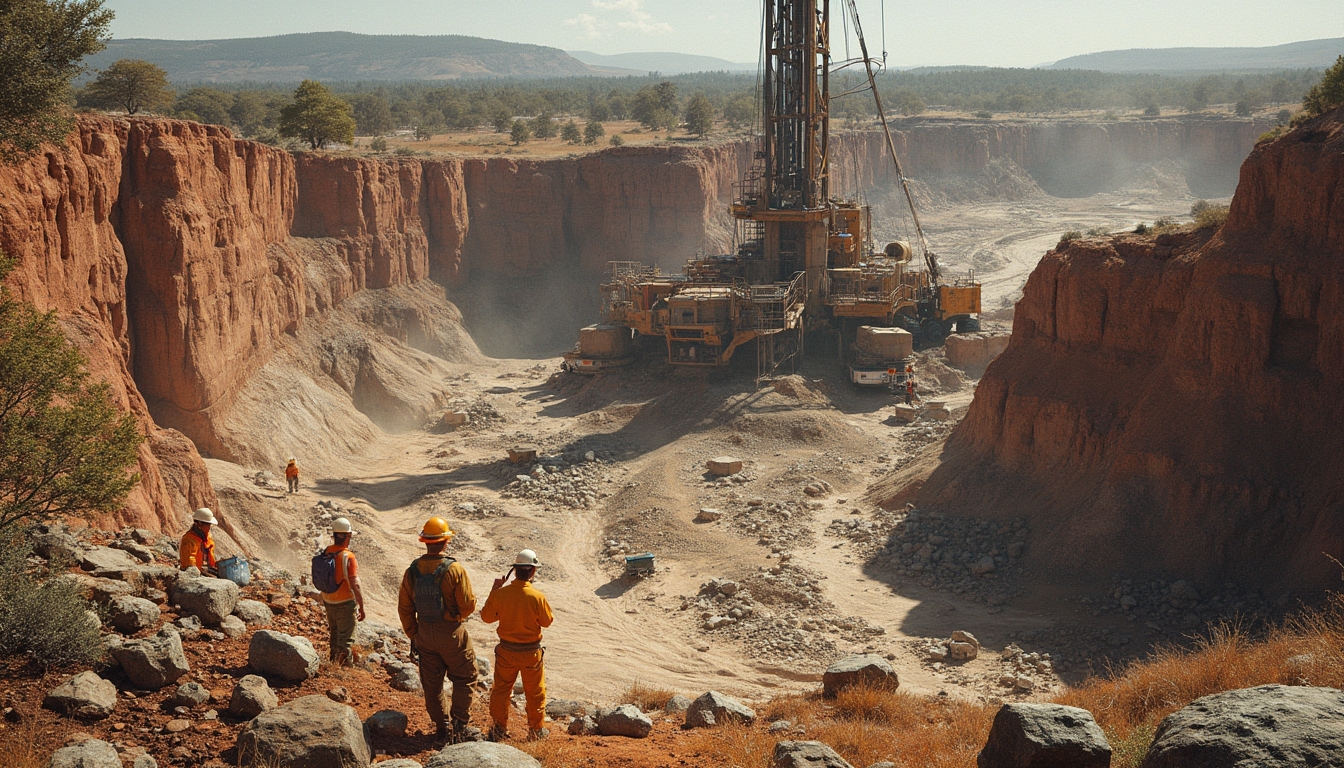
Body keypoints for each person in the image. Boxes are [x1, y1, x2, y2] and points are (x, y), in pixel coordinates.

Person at [397, 517, 481, 743]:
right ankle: (459, 724)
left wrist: (414, 633)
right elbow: (468, 605)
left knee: (432, 684)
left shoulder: (412, 571)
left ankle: (441, 726)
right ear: (445, 542)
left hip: (424, 634)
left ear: (425, 541)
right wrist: (455, 616)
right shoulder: (455, 569)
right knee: (466, 676)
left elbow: (404, 607)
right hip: (452, 633)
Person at [480, 549, 554, 742]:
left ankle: (498, 728)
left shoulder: (501, 594)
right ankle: (536, 731)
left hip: (506, 651)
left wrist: (495, 590)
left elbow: (487, 617)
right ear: (532, 572)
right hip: (531, 653)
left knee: (501, 691)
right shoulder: (537, 597)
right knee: (535, 692)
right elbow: (547, 622)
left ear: (515, 570)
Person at [320, 517, 366, 665]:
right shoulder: (348, 556)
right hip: (345, 603)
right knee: (346, 639)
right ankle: (345, 670)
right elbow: (354, 583)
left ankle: (333, 663)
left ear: (334, 535)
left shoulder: (327, 552)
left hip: (328, 600)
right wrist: (361, 605)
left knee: (334, 634)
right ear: (348, 536)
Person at [179, 508, 219, 574]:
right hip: (193, 575)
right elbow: (189, 565)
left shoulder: (206, 538)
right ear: (200, 523)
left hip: (204, 572)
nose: (209, 527)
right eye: (208, 524)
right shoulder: (189, 540)